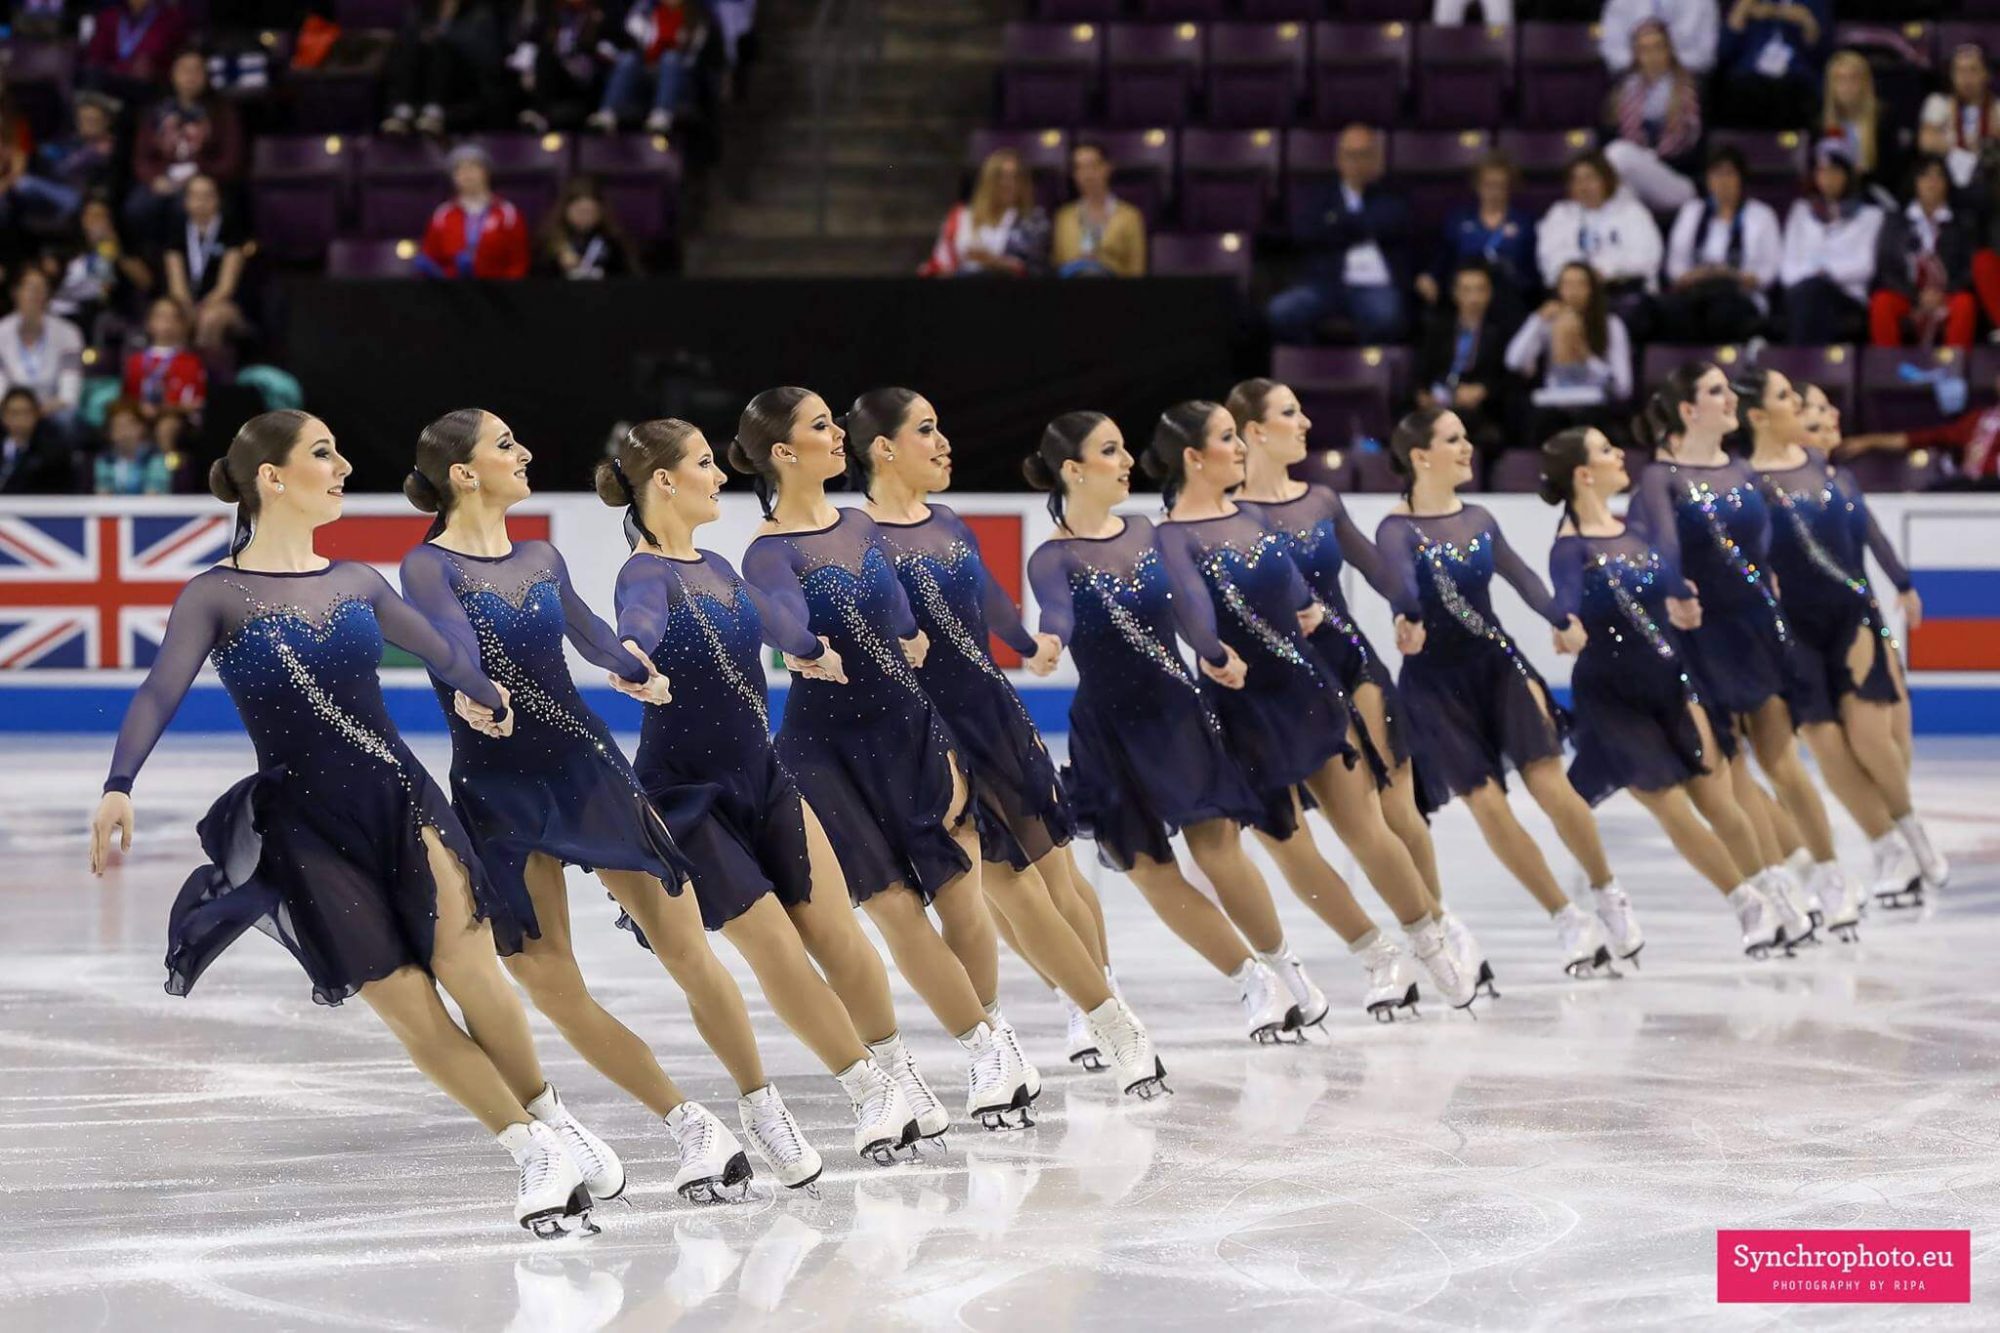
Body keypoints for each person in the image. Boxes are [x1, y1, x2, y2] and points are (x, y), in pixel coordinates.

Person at [88, 410, 615, 1238]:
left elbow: (444, 652)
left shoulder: (360, 583)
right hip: (304, 824)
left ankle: (555, 1119)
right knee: (404, 999)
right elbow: (161, 688)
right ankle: (531, 1151)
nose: (341, 467)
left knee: (470, 971)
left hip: (401, 802)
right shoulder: (215, 594)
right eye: (323, 454)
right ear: (272, 477)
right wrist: (120, 783)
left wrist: (485, 690)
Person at [399, 409, 901, 1193]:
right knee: (546, 977)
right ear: (463, 473)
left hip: (585, 769)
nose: (524, 449)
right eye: (505, 444)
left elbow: (599, 635)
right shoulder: (429, 566)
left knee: (687, 951)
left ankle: (760, 1102)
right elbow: (449, 642)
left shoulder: (541, 556)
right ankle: (685, 1124)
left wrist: (634, 663)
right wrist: (474, 692)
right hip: (495, 788)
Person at [729, 387, 1163, 1113]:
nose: (838, 433)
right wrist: (801, 646)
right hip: (822, 747)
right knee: (895, 907)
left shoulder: (863, 523)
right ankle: (986, 1048)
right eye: (820, 425)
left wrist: (917, 633)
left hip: (912, 727)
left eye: (838, 422)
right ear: (782, 452)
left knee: (1003, 889)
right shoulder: (767, 548)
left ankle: (1113, 1023)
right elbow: (775, 614)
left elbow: (907, 610)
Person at [607, 417, 958, 1157]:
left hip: (763, 777)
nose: (720, 474)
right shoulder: (645, 573)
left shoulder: (719, 566)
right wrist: (632, 655)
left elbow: (775, 623)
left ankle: (897, 1072)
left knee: (839, 933)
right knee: (775, 947)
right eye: (705, 463)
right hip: (689, 797)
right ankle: (868, 1092)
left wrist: (810, 650)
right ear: (665, 481)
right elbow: (636, 623)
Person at [1147, 402, 1481, 1012]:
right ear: (1195, 458)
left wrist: (1310, 605)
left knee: (1364, 827)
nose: (1240, 449)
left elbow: (1296, 585)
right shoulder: (1170, 534)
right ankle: (1377, 955)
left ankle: (1430, 941)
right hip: (1242, 706)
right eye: (1227, 439)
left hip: (1307, 691)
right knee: (1289, 845)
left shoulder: (1252, 515)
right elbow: (1190, 604)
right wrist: (1213, 650)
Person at [1021, 412, 1346, 1035]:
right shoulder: (1052, 557)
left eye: (1123, 449)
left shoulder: (1150, 531)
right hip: (1108, 729)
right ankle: (1253, 982)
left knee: (1218, 849)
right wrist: (1047, 644)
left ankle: (1289, 971)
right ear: (1073, 470)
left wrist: (1214, 652)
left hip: (1175, 711)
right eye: (1110, 451)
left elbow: (1191, 604)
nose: (1126, 463)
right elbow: (1057, 614)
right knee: (1146, 866)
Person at [851, 390, 1135, 1071]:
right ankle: (1080, 1008)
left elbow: (990, 598)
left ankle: (1098, 998)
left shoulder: (949, 521)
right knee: (1006, 886)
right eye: (926, 429)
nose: (944, 440)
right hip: (928, 732)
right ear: (883, 448)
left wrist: (1028, 643)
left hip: (992, 714)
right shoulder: (856, 538)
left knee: (1058, 875)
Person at [1230, 378, 1491, 999]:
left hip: (1348, 661)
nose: (1305, 425)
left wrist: (1409, 609)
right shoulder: (1229, 515)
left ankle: (1437, 926)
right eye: (1290, 414)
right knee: (1310, 831)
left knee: (1389, 808)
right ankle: (1388, 949)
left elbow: (1376, 568)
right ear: (1256, 432)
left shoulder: (1321, 499)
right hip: (1275, 684)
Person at [1377, 408, 1637, 976]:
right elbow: (1398, 579)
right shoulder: (1396, 528)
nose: (1468, 446)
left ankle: (1606, 889)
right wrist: (1407, 614)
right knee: (1487, 803)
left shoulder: (1480, 518)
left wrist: (1561, 616)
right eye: (1453, 439)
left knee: (1549, 782)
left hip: (1497, 667)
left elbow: (1523, 579)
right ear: (1421, 456)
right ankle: (1566, 918)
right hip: (1435, 686)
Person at [1537, 428, 1785, 956]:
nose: (1619, 454)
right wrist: (1565, 624)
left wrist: (1683, 597)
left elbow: (1667, 577)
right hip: (1612, 699)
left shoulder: (1635, 532)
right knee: (1672, 807)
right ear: (1583, 474)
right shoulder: (1571, 546)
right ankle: (1747, 904)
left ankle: (1771, 890)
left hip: (1671, 685)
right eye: (1606, 450)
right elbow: (1564, 598)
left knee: (1719, 801)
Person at [1625, 363, 1848, 943]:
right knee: (1729, 772)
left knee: (1783, 763)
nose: (1730, 400)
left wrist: (1766, 575)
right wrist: (1674, 592)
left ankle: (1832, 879)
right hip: (1697, 637)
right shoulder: (1661, 476)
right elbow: (1662, 546)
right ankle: (1778, 889)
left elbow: (1763, 540)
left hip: (1755, 629)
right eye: (1716, 391)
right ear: (1688, 411)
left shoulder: (1743, 468)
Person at [1737, 370, 1948, 912]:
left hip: (1850, 614)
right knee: (1828, 746)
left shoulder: (1822, 470)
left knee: (1872, 737)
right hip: (1788, 631)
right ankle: (1886, 849)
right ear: (1759, 415)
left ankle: (1911, 829)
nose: (1812, 415)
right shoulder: (1742, 484)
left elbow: (1867, 531)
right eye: (1790, 400)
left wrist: (1901, 584)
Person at [1268, 125, 1411, 345]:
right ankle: (1309, 368)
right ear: (1338, 159)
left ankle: (1368, 373)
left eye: (1363, 155)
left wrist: (1337, 225)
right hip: (1326, 284)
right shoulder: (1319, 196)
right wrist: (1361, 227)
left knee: (1387, 317)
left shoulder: (1393, 193)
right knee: (1281, 311)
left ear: (1377, 159)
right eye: (1350, 155)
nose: (1356, 162)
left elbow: (1391, 224)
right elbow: (1305, 232)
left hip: (1376, 285)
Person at [1658, 145, 1784, 344]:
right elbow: (1675, 264)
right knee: (1673, 309)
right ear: (1708, 180)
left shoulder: (1761, 215)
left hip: (1740, 295)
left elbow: (1770, 269)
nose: (1723, 182)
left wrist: (1739, 276)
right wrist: (1692, 276)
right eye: (1716, 174)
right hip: (1697, 291)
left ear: (1741, 179)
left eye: (1729, 174)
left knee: (1722, 310)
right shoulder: (1692, 211)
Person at [1535, 151, 1663, 338]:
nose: (1583, 186)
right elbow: (1550, 260)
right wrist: (1583, 277)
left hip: (1619, 292)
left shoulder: (1631, 212)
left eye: (1590, 178)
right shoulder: (1560, 214)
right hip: (1573, 295)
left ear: (1607, 180)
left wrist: (1605, 270)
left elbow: (1647, 259)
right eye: (1577, 180)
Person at [1505, 261, 1634, 444]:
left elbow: (1623, 388)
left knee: (1589, 421)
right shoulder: (1548, 323)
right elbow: (1513, 361)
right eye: (1567, 285)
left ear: (1592, 289)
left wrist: (1585, 355)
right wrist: (1536, 320)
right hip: (1554, 401)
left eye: (1580, 285)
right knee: (1538, 419)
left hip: (1593, 403)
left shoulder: (1611, 325)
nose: (1573, 292)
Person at [126, 49, 245, 246]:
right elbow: (142, 158)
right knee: (137, 207)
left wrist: (200, 173)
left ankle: (186, 266)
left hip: (205, 180)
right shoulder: (155, 112)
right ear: (172, 74)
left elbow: (231, 160)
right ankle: (153, 265)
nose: (190, 76)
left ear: (207, 76)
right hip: (164, 178)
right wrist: (155, 179)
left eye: (197, 70)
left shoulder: (223, 112)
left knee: (182, 207)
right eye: (184, 70)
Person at [1778, 140, 1884, 345]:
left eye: (1834, 171)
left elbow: (1865, 265)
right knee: (1808, 295)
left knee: (1813, 294)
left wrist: (1825, 274)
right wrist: (1813, 277)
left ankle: (1800, 367)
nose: (1828, 178)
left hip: (1847, 296)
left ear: (1848, 175)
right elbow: (1787, 269)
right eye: (1822, 171)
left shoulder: (1871, 215)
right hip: (1802, 292)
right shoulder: (1801, 211)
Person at [1869, 156, 1979, 350]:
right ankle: (1887, 373)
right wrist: (1916, 296)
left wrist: (1943, 294)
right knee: (1882, 302)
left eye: (1938, 176)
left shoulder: (1962, 223)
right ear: (1915, 182)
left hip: (1946, 295)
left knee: (1965, 303)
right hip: (1908, 294)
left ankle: (1953, 372)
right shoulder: (1896, 221)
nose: (1932, 183)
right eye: (1925, 176)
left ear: (1947, 183)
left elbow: (1969, 269)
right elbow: (1885, 267)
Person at [1418, 152, 1536, 321]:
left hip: (1510, 297)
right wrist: (1430, 277)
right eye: (1488, 185)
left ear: (1510, 187)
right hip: (1464, 295)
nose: (1494, 191)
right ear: (1477, 185)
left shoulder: (1524, 223)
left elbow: (1530, 270)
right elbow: (1444, 257)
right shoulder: (1459, 220)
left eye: (1500, 185)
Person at [1602, 20, 1703, 213]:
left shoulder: (1689, 91)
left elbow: (1696, 151)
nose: (1652, 56)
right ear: (1636, 55)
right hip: (1638, 180)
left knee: (1618, 153)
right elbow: (1607, 135)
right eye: (1644, 50)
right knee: (1620, 192)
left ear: (1669, 50)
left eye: (1658, 47)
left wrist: (1653, 159)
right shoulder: (1624, 92)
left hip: (1677, 181)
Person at [1416, 261, 1512, 460]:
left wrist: (1483, 390)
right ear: (1455, 293)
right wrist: (1423, 394)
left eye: (1479, 290)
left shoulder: (1502, 330)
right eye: (1467, 290)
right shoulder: (1437, 328)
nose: (1473, 298)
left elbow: (1509, 375)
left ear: (1490, 293)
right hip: (1438, 401)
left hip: (1479, 408)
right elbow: (1420, 370)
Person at [1842, 367, 2000, 488]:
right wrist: (1869, 441)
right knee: (1933, 492)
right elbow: (1920, 438)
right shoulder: (1978, 419)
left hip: (1994, 488)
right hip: (1972, 489)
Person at [380, 0, 509, 137]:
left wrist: (444, 38)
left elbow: (486, 55)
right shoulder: (424, 11)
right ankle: (402, 110)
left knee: (441, 48)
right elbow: (406, 37)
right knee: (410, 49)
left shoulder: (480, 13)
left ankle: (434, 111)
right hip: (423, 76)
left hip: (461, 79)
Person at [919, 148, 1049, 278]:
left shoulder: (1033, 220)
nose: (1009, 184)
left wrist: (994, 262)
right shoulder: (960, 217)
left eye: (1016, 177)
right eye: (1001, 176)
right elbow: (941, 262)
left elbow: (1036, 268)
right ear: (987, 180)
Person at [162, 174, 252, 354]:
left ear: (218, 199)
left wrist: (200, 309)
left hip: (224, 304)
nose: (201, 202)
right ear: (186, 201)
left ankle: (205, 373)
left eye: (207, 196)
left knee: (210, 318)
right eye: (195, 196)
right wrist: (187, 308)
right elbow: (176, 285)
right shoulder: (177, 231)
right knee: (168, 316)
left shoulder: (231, 230)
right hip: (187, 302)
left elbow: (226, 287)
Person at [589, 0, 710, 135]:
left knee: (670, 58)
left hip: (679, 77)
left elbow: (691, 59)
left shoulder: (696, 17)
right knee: (629, 59)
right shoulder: (645, 11)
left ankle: (662, 114)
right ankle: (607, 113)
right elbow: (632, 38)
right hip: (648, 73)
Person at [418, 145, 531, 281]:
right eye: (459, 169)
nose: (467, 174)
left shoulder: (508, 213)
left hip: (498, 291)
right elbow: (431, 256)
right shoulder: (443, 215)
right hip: (454, 292)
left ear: (485, 172)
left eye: (473, 167)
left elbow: (518, 262)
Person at [1713, 0, 1830, 131]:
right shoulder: (1746, 4)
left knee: (1795, 94)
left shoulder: (1814, 3)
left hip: (1794, 82)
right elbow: (1723, 52)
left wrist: (1808, 22)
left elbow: (1823, 55)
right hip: (1749, 81)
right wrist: (1740, 13)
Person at [51, 196, 156, 342]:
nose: (96, 221)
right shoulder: (67, 248)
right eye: (91, 216)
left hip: (101, 315)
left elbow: (146, 282)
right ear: (82, 219)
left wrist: (115, 249)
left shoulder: (122, 249)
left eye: (101, 216)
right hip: (64, 311)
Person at [9, 92, 119, 229]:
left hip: (80, 198)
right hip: (62, 190)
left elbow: (64, 169)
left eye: (92, 121)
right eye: (82, 120)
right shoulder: (76, 141)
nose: (86, 125)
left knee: (24, 183)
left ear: (107, 122)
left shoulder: (103, 148)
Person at [514, 0, 619, 134]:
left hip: (588, 81)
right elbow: (529, 45)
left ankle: (544, 113)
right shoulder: (552, 17)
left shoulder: (599, 17)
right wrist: (527, 70)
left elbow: (612, 51)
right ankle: (539, 114)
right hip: (559, 78)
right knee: (546, 56)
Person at [0, 268, 86, 423]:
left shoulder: (69, 333)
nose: (35, 296)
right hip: (12, 408)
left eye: (41, 290)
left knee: (68, 419)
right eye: (30, 289)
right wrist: (19, 412)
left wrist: (37, 412)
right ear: (15, 293)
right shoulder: (2, 331)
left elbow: (69, 394)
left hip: (52, 408)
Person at [1051, 141, 1147, 279]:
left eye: (1093, 166)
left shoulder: (1130, 216)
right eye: (1080, 168)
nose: (1088, 175)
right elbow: (1058, 264)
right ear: (1074, 175)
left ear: (1107, 168)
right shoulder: (1064, 216)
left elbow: (1136, 270)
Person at [1917, 43, 2000, 192]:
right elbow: (1927, 142)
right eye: (1959, 71)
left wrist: (1949, 142)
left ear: (1986, 74)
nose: (1966, 78)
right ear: (1951, 75)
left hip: (1989, 183)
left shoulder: (1997, 108)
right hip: (1948, 184)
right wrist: (1974, 146)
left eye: (1973, 70)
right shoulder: (1939, 103)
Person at [535, 175, 642, 278]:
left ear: (600, 212)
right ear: (565, 210)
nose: (585, 218)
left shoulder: (614, 240)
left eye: (590, 212)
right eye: (580, 212)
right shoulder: (549, 241)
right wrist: (557, 263)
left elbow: (631, 277)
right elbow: (536, 281)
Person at [80, 1, 191, 99]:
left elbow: (177, 58)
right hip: (110, 87)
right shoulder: (109, 16)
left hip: (151, 90)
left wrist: (155, 69)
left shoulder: (171, 19)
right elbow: (96, 58)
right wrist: (123, 68)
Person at [122, 297, 207, 419]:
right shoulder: (135, 360)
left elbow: (197, 402)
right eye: (160, 316)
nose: (167, 322)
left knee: (168, 425)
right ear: (149, 322)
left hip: (175, 418)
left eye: (174, 317)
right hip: (138, 417)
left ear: (183, 325)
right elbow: (127, 398)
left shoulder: (191, 362)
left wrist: (163, 409)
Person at [1822, 51, 1887, 195]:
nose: (1847, 86)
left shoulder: (1883, 121)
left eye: (1853, 78)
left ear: (1865, 83)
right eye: (1840, 79)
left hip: (1872, 195)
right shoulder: (1819, 124)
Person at [1601, 0, 1718, 76]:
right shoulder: (1618, 3)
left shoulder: (1704, 3)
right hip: (1633, 76)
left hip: (1686, 76)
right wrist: (1645, 66)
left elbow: (1705, 56)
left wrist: (1667, 66)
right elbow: (1613, 52)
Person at [92, 397, 171, 495]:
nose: (124, 431)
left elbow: (152, 499)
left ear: (141, 427)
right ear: (110, 432)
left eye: (128, 425)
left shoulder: (155, 457)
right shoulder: (105, 459)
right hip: (114, 510)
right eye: (118, 426)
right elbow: (103, 496)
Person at [0, 387, 69, 494]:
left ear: (37, 415)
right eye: (14, 413)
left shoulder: (52, 453)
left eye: (26, 412)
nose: (20, 419)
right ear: (4, 416)